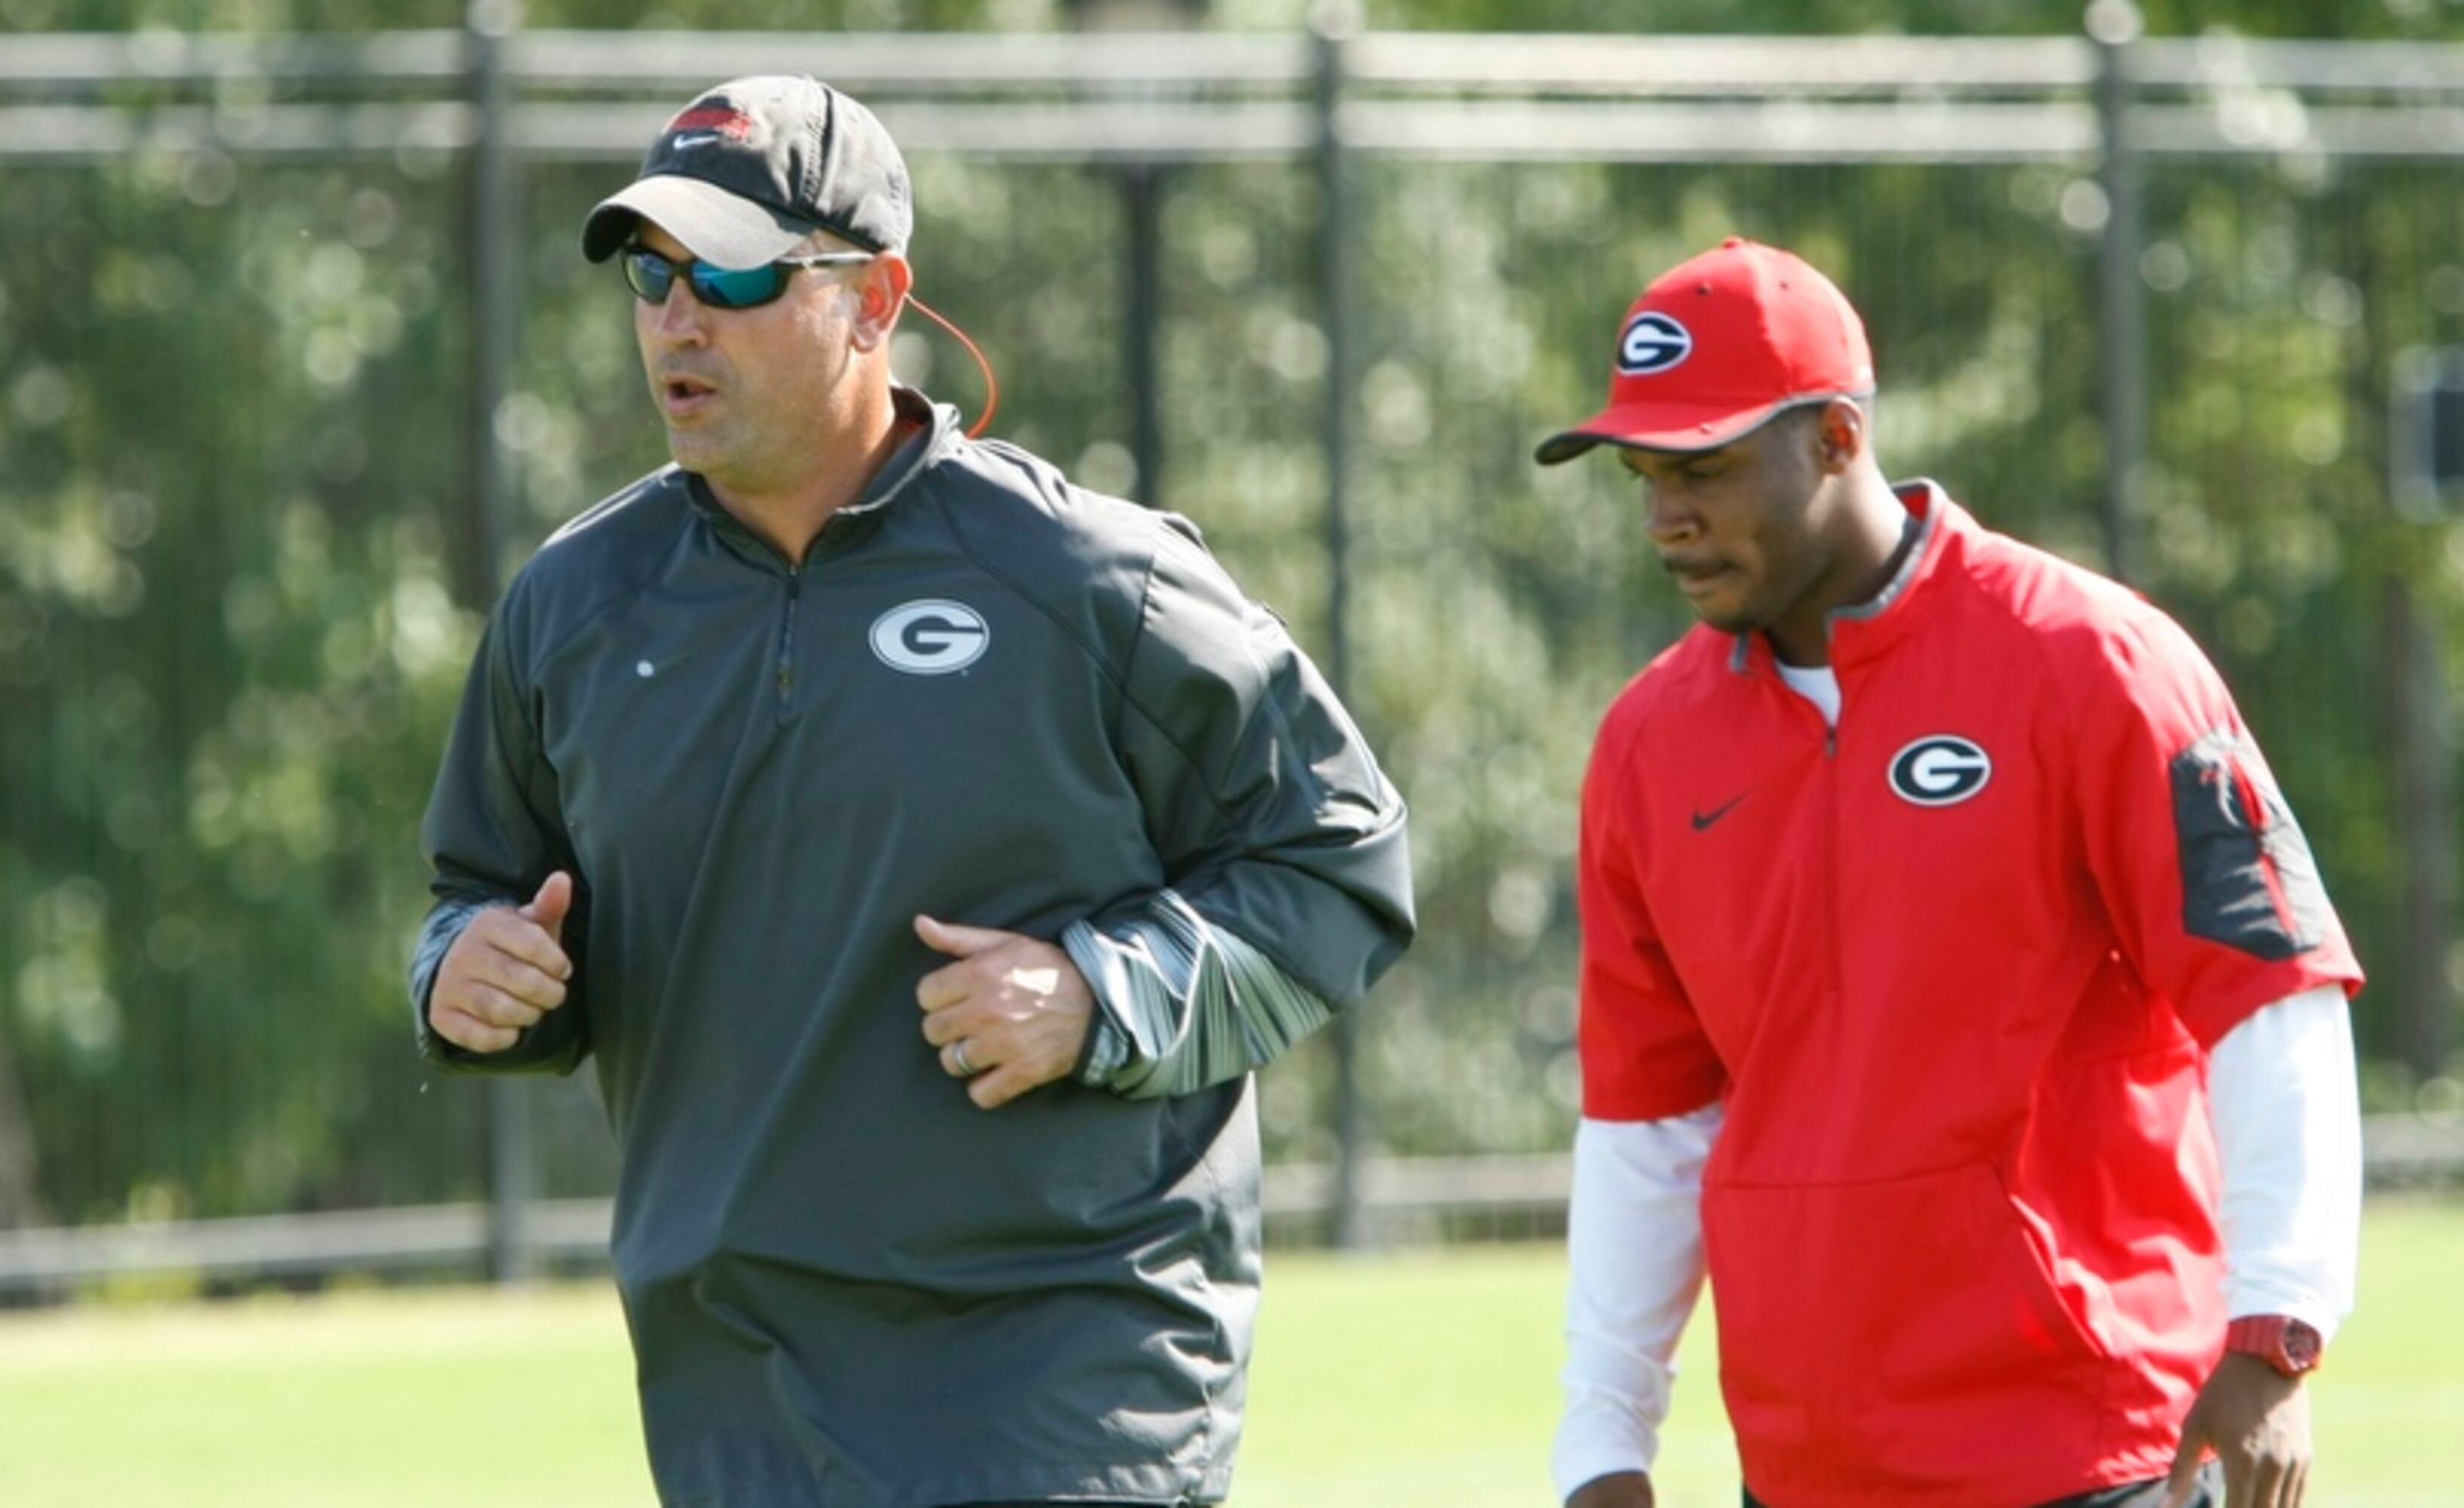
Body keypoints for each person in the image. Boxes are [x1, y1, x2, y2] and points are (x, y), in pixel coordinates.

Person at [408, 75, 1414, 1508]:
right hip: (730, 1383)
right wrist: (469, 973)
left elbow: (1343, 863)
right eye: (652, 273)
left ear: (876, 300)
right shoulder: (573, 606)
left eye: (736, 273)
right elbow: (477, 896)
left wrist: (1099, 993)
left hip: (1060, 1368)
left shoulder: (1090, 579)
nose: (676, 320)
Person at [1538, 239, 2364, 1508]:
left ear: (1835, 437)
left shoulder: (2092, 663)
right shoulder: (1648, 742)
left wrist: (2278, 1325)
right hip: (1810, 1471)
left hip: (2098, 1451)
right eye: (1645, 475)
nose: (1665, 516)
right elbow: (1647, 1119)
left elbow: (2272, 991)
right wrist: (1602, 1439)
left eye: (1701, 468)